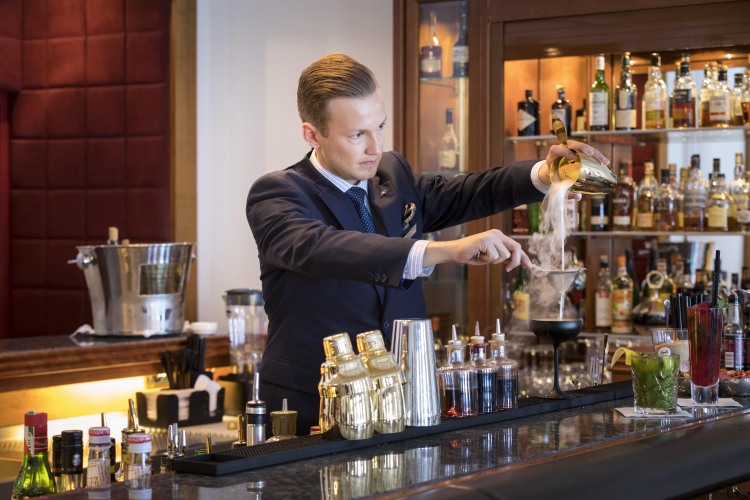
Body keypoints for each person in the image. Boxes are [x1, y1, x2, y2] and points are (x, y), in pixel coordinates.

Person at [246, 53, 609, 434]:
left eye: (379, 127)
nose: (375, 147)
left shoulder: (391, 175)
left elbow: (464, 192)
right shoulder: (279, 194)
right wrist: (444, 250)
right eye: (357, 135)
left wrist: (544, 173)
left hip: (405, 402)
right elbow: (323, 247)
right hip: (313, 408)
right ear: (312, 134)